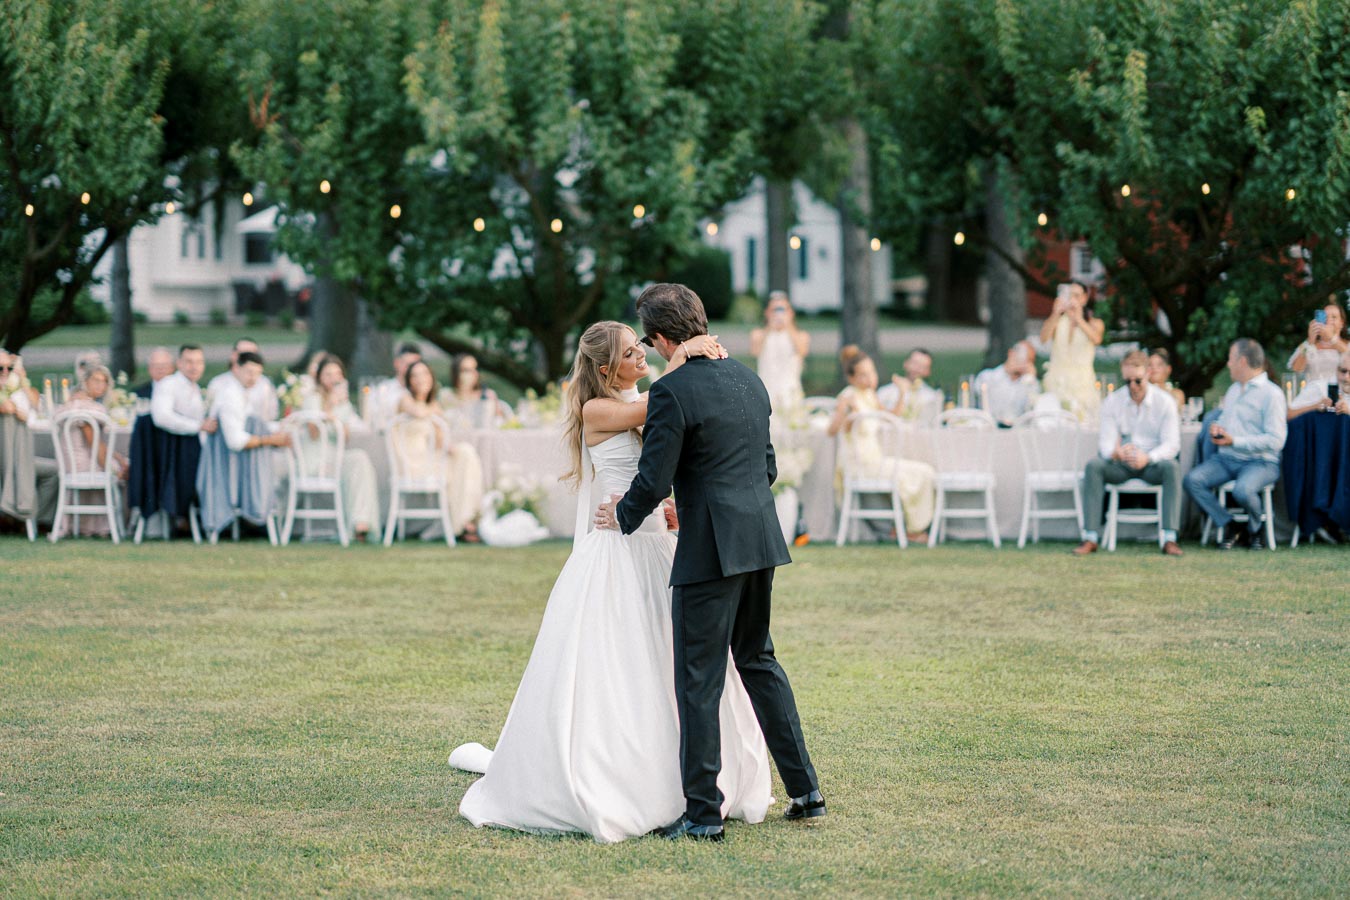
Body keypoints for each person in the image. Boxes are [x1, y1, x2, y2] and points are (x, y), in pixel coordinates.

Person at [452, 321, 767, 843]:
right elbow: (660, 405)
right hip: (615, 551)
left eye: (643, 347)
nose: (642, 356)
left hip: (658, 547)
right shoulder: (597, 410)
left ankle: (695, 779)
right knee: (619, 663)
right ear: (605, 370)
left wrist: (672, 508)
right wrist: (685, 353)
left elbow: (665, 453)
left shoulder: (651, 396)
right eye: (630, 352)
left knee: (681, 662)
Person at [596, 283, 824, 842]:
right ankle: (806, 792)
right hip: (761, 541)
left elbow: (653, 478)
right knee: (759, 661)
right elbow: (765, 468)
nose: (649, 351)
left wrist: (622, 517)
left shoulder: (674, 391)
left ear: (664, 336)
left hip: (711, 549)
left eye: (649, 341)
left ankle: (702, 814)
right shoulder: (750, 380)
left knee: (697, 680)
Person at [1073, 351, 1183, 557]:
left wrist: (1148, 457)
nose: (1132, 386)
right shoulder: (1113, 402)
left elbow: (1172, 445)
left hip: (1151, 464)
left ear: (1149, 374)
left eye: (1138, 381)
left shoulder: (1164, 402)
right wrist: (1116, 452)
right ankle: (1090, 536)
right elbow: (1105, 444)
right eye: (1128, 381)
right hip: (1122, 464)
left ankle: (1170, 538)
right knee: (1094, 466)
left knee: (1172, 467)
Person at [1183, 338, 1287, 550]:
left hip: (1261, 462)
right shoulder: (1233, 390)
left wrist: (1236, 440)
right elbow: (1227, 421)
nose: (1228, 364)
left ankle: (1256, 529)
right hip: (1227, 458)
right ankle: (1230, 525)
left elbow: (1277, 440)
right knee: (1192, 480)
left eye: (1230, 359)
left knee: (1242, 491)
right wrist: (1218, 428)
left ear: (1242, 361)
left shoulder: (1272, 394)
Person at [828, 345, 936, 541]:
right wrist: (845, 411)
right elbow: (832, 430)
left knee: (925, 472)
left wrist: (903, 392)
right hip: (860, 464)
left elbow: (890, 416)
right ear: (852, 378)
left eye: (871, 373)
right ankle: (911, 530)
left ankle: (908, 526)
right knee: (914, 475)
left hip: (875, 459)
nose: (869, 379)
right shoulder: (848, 396)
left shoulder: (869, 395)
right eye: (863, 375)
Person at [197, 351, 291, 539]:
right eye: (249, 372)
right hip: (225, 464)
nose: (253, 378)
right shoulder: (230, 395)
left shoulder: (242, 392)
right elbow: (235, 441)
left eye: (257, 373)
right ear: (236, 368)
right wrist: (270, 440)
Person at [396, 359, 485, 541]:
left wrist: (450, 446)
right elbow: (419, 413)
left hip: (430, 460)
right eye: (415, 375)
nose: (421, 379)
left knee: (466, 454)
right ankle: (464, 522)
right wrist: (437, 412)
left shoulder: (434, 405)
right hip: (411, 463)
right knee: (464, 461)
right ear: (409, 380)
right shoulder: (405, 400)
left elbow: (440, 441)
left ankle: (464, 519)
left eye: (425, 374)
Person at [298, 354, 380, 542]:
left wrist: (338, 408)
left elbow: (346, 436)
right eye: (328, 374)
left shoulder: (343, 403)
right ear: (320, 377)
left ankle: (361, 523)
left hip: (335, 459)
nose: (333, 378)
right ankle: (359, 523)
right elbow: (313, 431)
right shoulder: (313, 398)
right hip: (315, 460)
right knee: (357, 460)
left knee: (360, 459)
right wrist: (329, 406)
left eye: (337, 373)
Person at [52, 366, 129, 537]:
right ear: (85, 382)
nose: (101, 385)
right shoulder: (89, 408)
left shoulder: (71, 403)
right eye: (96, 380)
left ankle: (90, 526)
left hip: (68, 464)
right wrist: (115, 468)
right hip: (82, 464)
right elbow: (94, 444)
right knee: (125, 471)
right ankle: (118, 526)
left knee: (121, 462)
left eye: (105, 382)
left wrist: (116, 457)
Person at [0, 350, 58, 531]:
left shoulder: (17, 389)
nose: (5, 372)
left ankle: (33, 520)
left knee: (54, 472)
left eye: (9, 368)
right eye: (0, 368)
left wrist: (22, 379)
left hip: (21, 460)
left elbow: (37, 406)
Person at [1040, 281, 1105, 417]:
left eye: (1076, 295)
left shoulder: (1094, 322)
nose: (1072, 299)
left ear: (1084, 298)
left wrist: (1079, 319)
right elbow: (1044, 338)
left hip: (1082, 382)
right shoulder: (1058, 321)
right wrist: (1055, 314)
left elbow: (1096, 339)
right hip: (1057, 379)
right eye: (1069, 295)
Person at [750, 291, 809, 413]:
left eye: (783, 309)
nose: (778, 313)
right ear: (767, 312)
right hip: (767, 388)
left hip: (791, 389)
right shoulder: (759, 333)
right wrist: (769, 327)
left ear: (791, 312)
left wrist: (788, 325)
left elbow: (802, 351)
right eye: (775, 310)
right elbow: (755, 351)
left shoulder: (801, 335)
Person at [206, 338, 280, 424]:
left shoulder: (265, 383)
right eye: (243, 355)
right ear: (233, 355)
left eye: (252, 354)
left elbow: (272, 415)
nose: (248, 359)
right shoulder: (218, 383)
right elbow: (211, 416)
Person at [973, 341, 1040, 425]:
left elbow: (1032, 410)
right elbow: (977, 389)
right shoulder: (988, 376)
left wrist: (1031, 379)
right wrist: (1007, 370)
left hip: (1018, 432)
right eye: (1020, 357)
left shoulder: (1030, 383)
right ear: (1011, 353)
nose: (1023, 362)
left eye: (1029, 360)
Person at [876, 348, 943, 424]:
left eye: (922, 366)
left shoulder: (931, 396)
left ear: (928, 371)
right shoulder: (885, 392)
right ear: (906, 364)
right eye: (915, 363)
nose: (917, 369)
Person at [1287, 302, 1347, 384]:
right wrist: (1310, 341)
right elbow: (1297, 369)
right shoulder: (1308, 345)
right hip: (1313, 393)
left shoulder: (1347, 345)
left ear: (1341, 323)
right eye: (1326, 317)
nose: (1329, 321)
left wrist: (1332, 338)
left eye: (1334, 317)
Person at [445, 353, 511, 428]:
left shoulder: (487, 395)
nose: (474, 373)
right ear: (456, 372)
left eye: (475, 369)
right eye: (467, 370)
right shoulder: (447, 395)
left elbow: (500, 423)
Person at [1285, 349, 1350, 420]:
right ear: (1337, 370)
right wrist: (1315, 406)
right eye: (1343, 371)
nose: (1346, 376)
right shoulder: (1318, 387)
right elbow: (1288, 414)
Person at [371, 342, 422, 427]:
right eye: (407, 364)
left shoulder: (424, 390)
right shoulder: (383, 389)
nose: (411, 369)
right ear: (397, 363)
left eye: (414, 365)